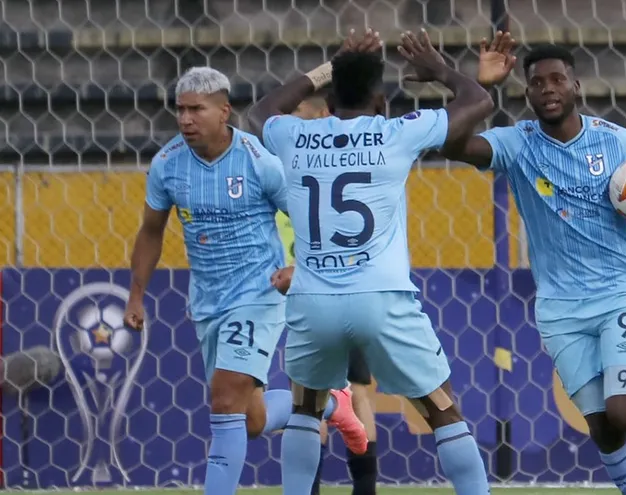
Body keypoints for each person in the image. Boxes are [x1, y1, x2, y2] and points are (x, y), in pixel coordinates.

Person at [441, 35, 626, 495]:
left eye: (557, 79)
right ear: (526, 93)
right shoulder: (518, 145)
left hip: (620, 291)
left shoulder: (618, 142)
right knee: (605, 429)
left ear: (576, 86)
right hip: (560, 308)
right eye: (537, 82)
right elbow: (453, 144)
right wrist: (478, 89)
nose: (547, 88)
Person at [248, 28, 494, 495]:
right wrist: (437, 68)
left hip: (313, 297)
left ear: (330, 97)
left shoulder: (296, 137)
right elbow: (479, 100)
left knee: (305, 410)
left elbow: (260, 111)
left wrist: (329, 65)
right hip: (382, 298)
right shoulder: (395, 133)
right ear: (381, 101)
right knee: (443, 410)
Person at [123, 67, 365, 495]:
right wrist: (136, 295)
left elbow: (309, 219)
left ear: (224, 111)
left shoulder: (258, 160)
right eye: (180, 110)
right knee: (248, 420)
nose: (186, 119)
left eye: (197, 109)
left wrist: (304, 269)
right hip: (208, 302)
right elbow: (150, 231)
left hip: (259, 294)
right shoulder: (167, 164)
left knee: (223, 401)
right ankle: (331, 403)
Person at [271, 94, 380, 495]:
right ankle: (364, 490)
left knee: (311, 395)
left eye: (293, 114)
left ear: (319, 114)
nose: (287, 125)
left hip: (312, 290)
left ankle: (318, 489)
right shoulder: (356, 159)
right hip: (349, 286)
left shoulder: (290, 166)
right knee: (354, 391)